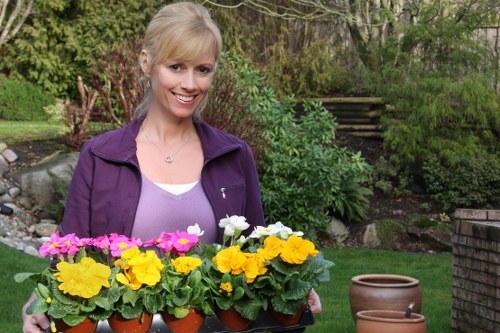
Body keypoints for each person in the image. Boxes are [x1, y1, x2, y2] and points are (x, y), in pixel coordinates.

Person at [22, 2, 321, 332]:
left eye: (203, 69)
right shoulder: (101, 156)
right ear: (147, 63)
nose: (190, 84)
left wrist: (293, 288)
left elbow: (258, 257)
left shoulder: (234, 156)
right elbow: (66, 256)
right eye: (176, 67)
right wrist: (37, 305)